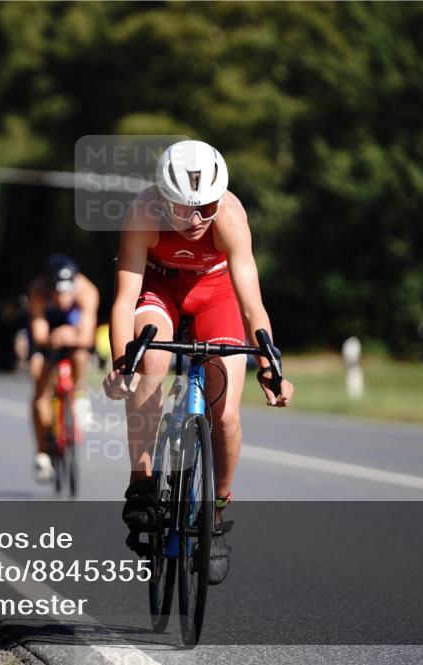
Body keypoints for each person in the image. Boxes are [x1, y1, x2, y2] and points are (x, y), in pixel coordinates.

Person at [102, 139, 295, 584]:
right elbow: (125, 298)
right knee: (149, 361)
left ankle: (216, 512)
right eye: (184, 208)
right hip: (160, 291)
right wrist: (121, 363)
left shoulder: (229, 216)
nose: (196, 220)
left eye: (205, 207)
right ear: (162, 198)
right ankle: (142, 481)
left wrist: (271, 366)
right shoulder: (142, 212)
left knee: (224, 416)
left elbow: (252, 305)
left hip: (216, 296)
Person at [27, 254, 99, 483]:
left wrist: (71, 335)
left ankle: (80, 395)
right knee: (39, 375)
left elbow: (87, 337)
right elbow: (39, 334)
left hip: (74, 331)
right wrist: (52, 338)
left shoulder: (87, 291)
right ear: (49, 288)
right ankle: (42, 453)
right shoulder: (37, 290)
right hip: (48, 332)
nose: (63, 298)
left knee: (80, 354)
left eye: (68, 292)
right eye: (58, 293)